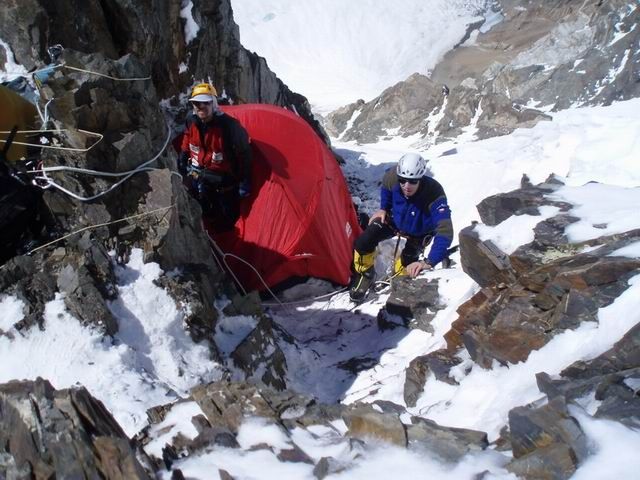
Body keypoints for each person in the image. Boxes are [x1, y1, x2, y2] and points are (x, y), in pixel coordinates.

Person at [349, 153, 453, 302]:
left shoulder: (434, 194)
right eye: (403, 181)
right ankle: (365, 275)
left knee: (407, 265)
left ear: (420, 179)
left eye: (412, 182)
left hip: (420, 231)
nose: (406, 186)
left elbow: (445, 230)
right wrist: (383, 208)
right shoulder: (393, 176)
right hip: (395, 220)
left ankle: (397, 285)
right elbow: (386, 185)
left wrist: (429, 262)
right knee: (363, 242)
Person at [178, 83, 252, 231]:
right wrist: (183, 155)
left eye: (205, 102)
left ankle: (224, 231)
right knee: (206, 210)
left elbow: (244, 153)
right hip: (199, 176)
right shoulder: (191, 121)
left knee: (227, 218)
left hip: (224, 181)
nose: (201, 107)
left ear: (214, 103)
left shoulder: (229, 126)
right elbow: (187, 138)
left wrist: (243, 180)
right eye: (196, 103)